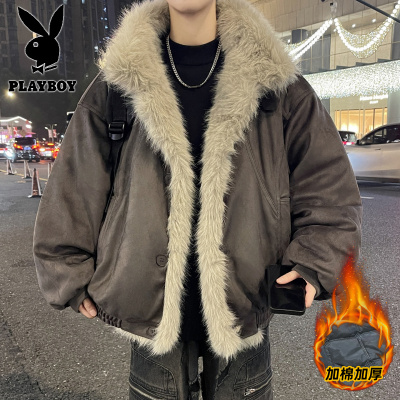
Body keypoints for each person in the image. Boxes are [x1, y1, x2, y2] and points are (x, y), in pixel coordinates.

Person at [33, 0, 363, 398]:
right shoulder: (118, 85)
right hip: (147, 312)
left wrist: (315, 261)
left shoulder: (276, 84)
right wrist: (67, 269)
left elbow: (329, 186)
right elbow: (75, 183)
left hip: (246, 305)